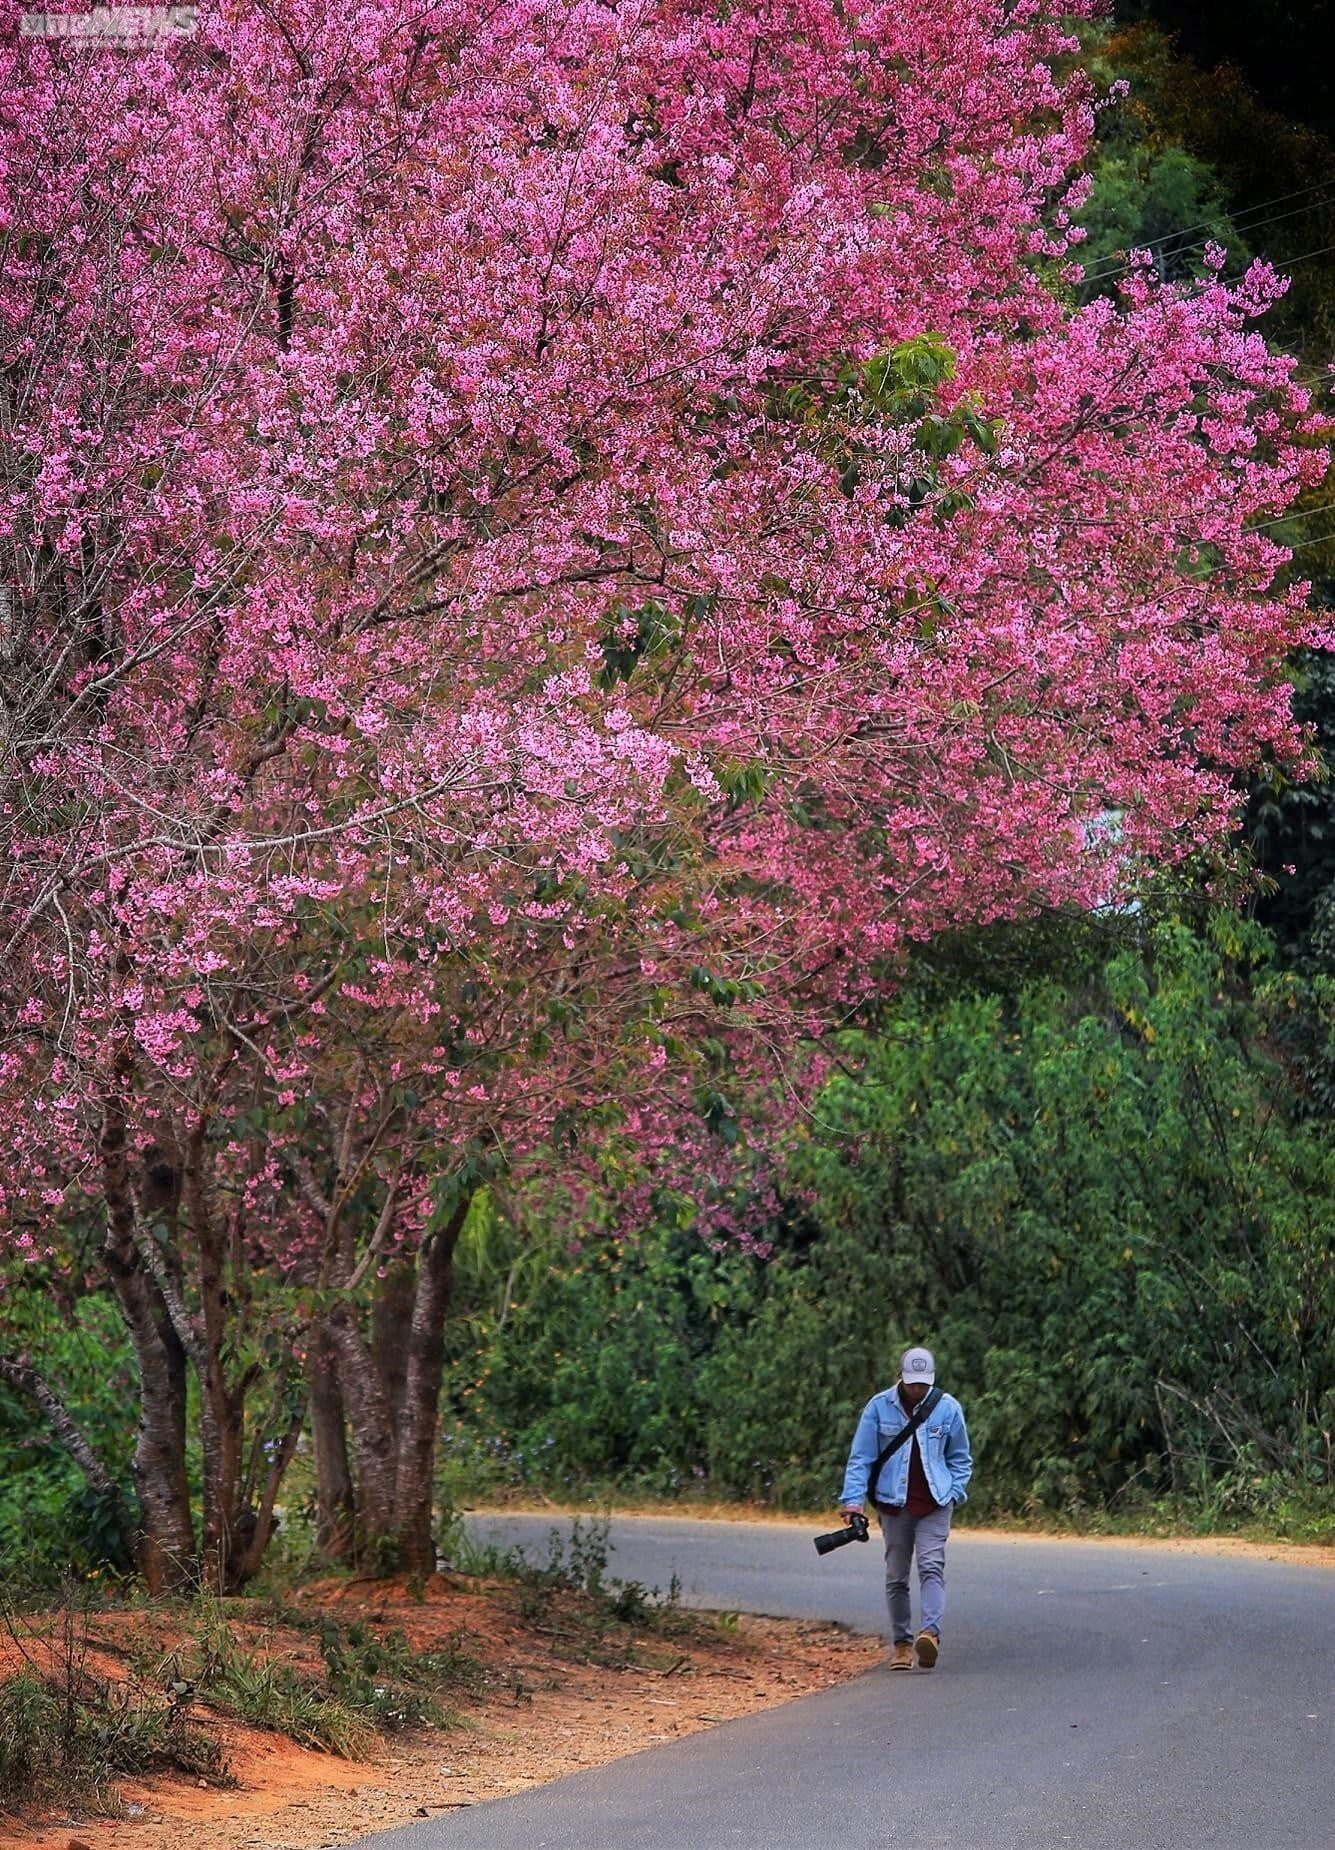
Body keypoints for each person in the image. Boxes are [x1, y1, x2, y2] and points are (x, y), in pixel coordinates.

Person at [837, 1345, 972, 1671]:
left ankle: (930, 1635)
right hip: (893, 1504)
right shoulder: (878, 1408)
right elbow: (862, 1458)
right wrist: (853, 1502)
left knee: (931, 1566)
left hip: (935, 1502)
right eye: (912, 1382)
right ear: (901, 1377)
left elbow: (960, 1459)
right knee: (897, 1575)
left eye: (923, 1383)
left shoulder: (948, 1408)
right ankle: (901, 1644)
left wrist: (954, 1492)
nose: (917, 1389)